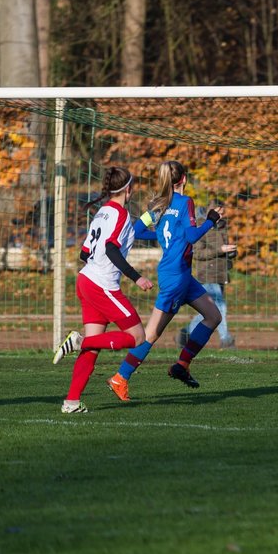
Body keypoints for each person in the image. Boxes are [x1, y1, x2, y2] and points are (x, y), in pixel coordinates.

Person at [107, 160, 225, 401]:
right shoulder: (185, 202)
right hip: (176, 277)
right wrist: (211, 220)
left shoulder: (158, 206)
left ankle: (182, 365)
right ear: (183, 179)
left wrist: (162, 235)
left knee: (213, 316)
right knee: (151, 333)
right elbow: (192, 236)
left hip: (180, 274)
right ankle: (121, 376)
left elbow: (137, 230)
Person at [50, 166, 156, 413]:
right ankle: (78, 341)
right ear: (128, 189)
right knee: (138, 337)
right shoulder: (120, 214)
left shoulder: (102, 213)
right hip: (102, 285)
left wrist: (151, 216)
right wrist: (136, 277)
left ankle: (71, 402)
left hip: (86, 280)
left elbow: (84, 253)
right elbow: (111, 248)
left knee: (93, 347)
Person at [177, 217, 237, 350]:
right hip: (207, 275)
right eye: (219, 211)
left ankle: (186, 332)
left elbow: (225, 249)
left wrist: (232, 252)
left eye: (223, 211)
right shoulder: (200, 227)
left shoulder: (222, 227)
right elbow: (198, 253)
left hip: (221, 274)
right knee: (220, 307)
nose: (221, 214)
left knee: (210, 311)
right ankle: (226, 340)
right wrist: (220, 250)